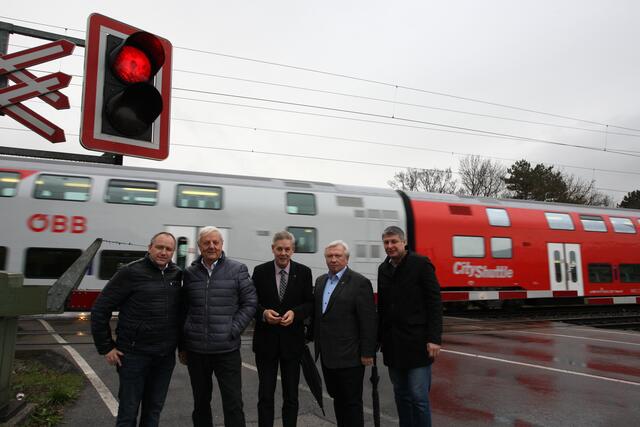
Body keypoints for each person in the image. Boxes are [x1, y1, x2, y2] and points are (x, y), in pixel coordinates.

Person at [91, 232, 182, 427]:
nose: (163, 252)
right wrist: (106, 347)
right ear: (150, 248)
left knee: (153, 410)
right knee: (128, 411)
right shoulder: (130, 272)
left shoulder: (177, 274)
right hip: (133, 355)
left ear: (173, 252)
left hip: (164, 357)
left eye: (168, 249)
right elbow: (100, 309)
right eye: (159, 247)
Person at [180, 226, 257, 427]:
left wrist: (232, 329)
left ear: (222, 245)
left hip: (226, 351)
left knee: (232, 403)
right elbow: (183, 310)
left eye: (216, 242)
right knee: (201, 403)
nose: (211, 246)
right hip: (197, 351)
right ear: (199, 246)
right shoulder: (189, 274)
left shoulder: (237, 269)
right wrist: (183, 345)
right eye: (206, 242)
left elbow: (250, 303)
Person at [377, 226, 443, 427]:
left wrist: (434, 338)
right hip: (393, 344)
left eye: (394, 241)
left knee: (418, 397)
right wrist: (378, 340)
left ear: (404, 242)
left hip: (417, 343)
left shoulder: (420, 264)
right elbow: (383, 307)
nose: (390, 246)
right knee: (401, 395)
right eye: (386, 242)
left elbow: (434, 303)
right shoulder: (383, 269)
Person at [252, 231, 314, 427]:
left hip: (292, 344)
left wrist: (295, 314)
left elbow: (310, 304)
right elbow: (251, 303)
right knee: (265, 395)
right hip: (266, 344)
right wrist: (263, 314)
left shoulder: (304, 272)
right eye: (279, 249)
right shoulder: (260, 271)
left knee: (291, 396)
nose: (283, 253)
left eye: (287, 249)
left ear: (293, 250)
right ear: (273, 249)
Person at [313, 240, 376, 427]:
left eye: (338, 256)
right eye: (329, 256)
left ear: (347, 258)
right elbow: (318, 316)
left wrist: (367, 352)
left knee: (352, 402)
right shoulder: (320, 281)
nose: (333, 259)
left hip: (351, 356)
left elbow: (368, 321)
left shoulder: (359, 283)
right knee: (337, 399)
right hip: (327, 355)